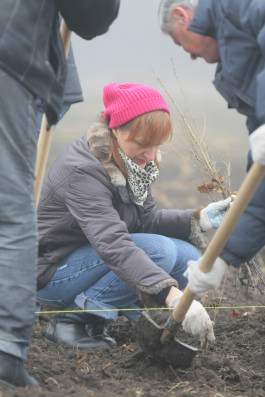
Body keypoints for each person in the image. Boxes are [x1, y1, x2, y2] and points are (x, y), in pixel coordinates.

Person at [36, 82, 232, 352]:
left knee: (188, 258)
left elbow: (146, 220)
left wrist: (199, 220)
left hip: (90, 259)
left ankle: (120, 312)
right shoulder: (83, 171)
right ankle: (74, 320)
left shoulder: (130, 163)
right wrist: (171, 296)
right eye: (143, 144)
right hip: (54, 274)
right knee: (158, 251)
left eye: (157, 145)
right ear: (115, 129)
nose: (151, 156)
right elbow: (113, 243)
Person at [0, 0, 120, 389]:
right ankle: (6, 344)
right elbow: (91, 14)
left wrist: (194, 220)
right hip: (8, 62)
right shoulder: (84, 173)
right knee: (11, 210)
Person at [158, 0, 265, 298]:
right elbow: (261, 190)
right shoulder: (242, 69)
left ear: (182, 16)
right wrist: (222, 257)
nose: (190, 56)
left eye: (182, 44)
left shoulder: (238, 5)